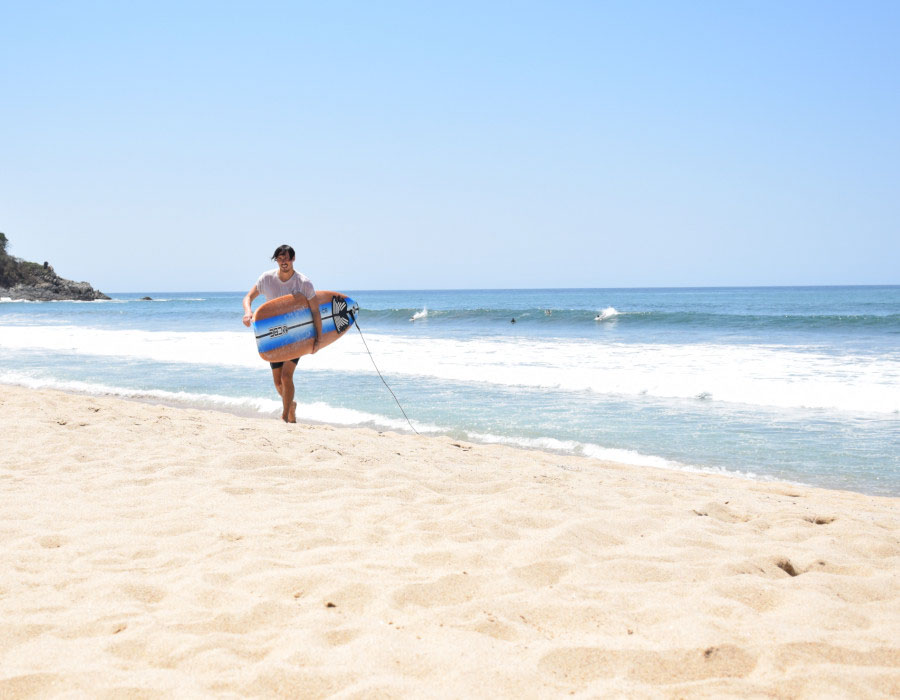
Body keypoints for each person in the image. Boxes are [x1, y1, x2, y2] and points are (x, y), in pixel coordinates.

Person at [243, 245, 322, 423]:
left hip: (297, 335)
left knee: (287, 377)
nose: (283, 261)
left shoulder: (303, 282)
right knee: (278, 383)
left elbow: (315, 311)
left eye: (286, 258)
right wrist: (248, 312)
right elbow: (248, 297)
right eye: (280, 258)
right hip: (274, 335)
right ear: (276, 260)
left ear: (293, 259)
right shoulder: (266, 279)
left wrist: (318, 337)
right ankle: (291, 405)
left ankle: (285, 416)